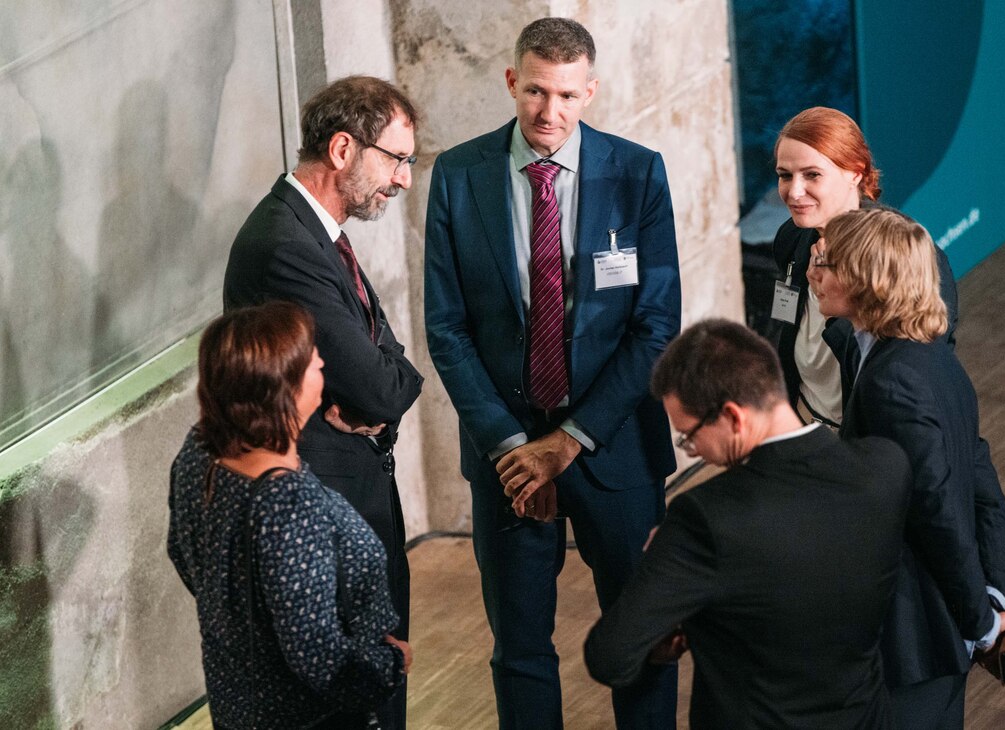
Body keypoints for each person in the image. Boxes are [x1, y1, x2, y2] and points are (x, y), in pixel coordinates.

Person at [423, 17, 681, 729]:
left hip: (612, 448)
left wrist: (567, 441)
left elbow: (655, 326)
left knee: (642, 638)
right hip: (505, 456)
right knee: (519, 648)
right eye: (536, 91)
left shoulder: (637, 173)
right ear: (512, 81)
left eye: (567, 95)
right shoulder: (458, 175)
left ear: (589, 92)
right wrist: (513, 450)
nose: (548, 112)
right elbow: (446, 328)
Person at [585, 319, 911, 728]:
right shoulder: (886, 468)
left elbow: (609, 656)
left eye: (688, 435)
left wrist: (672, 588)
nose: (692, 450)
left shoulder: (702, 519)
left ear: (733, 417)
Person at [223, 75, 423, 728]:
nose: (403, 181)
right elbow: (379, 386)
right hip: (322, 513)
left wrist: (387, 380)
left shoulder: (317, 235)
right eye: (396, 159)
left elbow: (385, 365)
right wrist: (386, 383)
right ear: (343, 148)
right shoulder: (287, 245)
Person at [814, 208, 1005, 728]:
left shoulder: (891, 382)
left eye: (827, 263)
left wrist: (981, 621)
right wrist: (990, 594)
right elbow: (984, 491)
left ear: (866, 279)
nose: (814, 271)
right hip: (940, 629)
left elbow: (936, 511)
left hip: (911, 640)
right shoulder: (932, 359)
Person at [167, 302, 412, 729]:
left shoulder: (198, 452)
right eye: (310, 359)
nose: (321, 361)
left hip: (237, 704)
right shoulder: (288, 505)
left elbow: (185, 556)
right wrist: (388, 662)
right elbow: (318, 656)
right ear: (284, 389)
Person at [771, 106, 958, 427]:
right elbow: (783, 320)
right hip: (804, 427)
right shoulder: (792, 237)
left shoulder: (904, 256)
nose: (794, 191)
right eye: (785, 175)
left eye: (812, 174)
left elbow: (920, 365)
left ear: (855, 173)